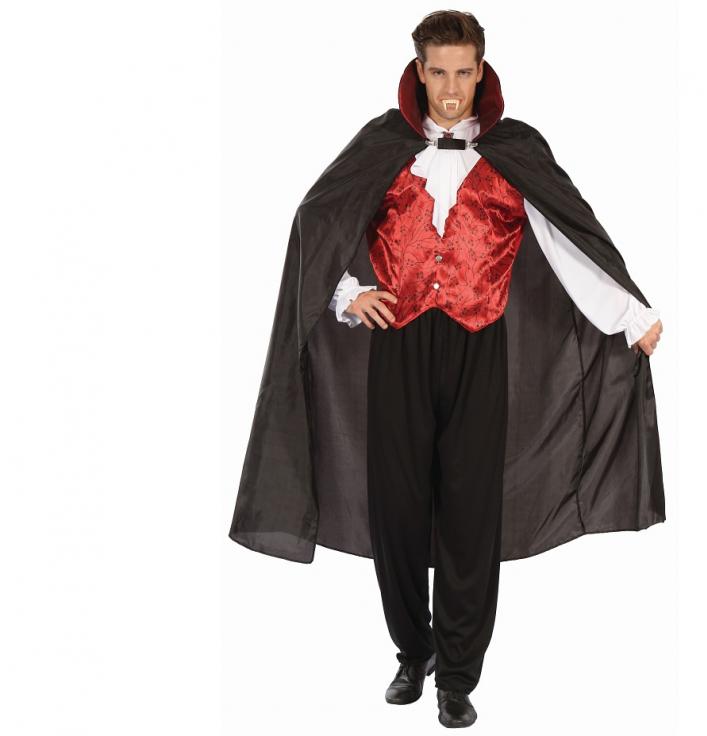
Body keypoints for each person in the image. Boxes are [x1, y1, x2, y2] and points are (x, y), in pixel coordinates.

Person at [229, 10, 666, 729]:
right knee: (396, 508)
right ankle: (413, 650)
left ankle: (459, 676)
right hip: (398, 344)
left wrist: (630, 315)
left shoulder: (515, 149)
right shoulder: (382, 143)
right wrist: (348, 293)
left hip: (478, 346)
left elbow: (566, 238)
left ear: (482, 70)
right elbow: (318, 222)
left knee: (470, 513)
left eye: (464, 72)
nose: (452, 88)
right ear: (419, 71)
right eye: (439, 72)